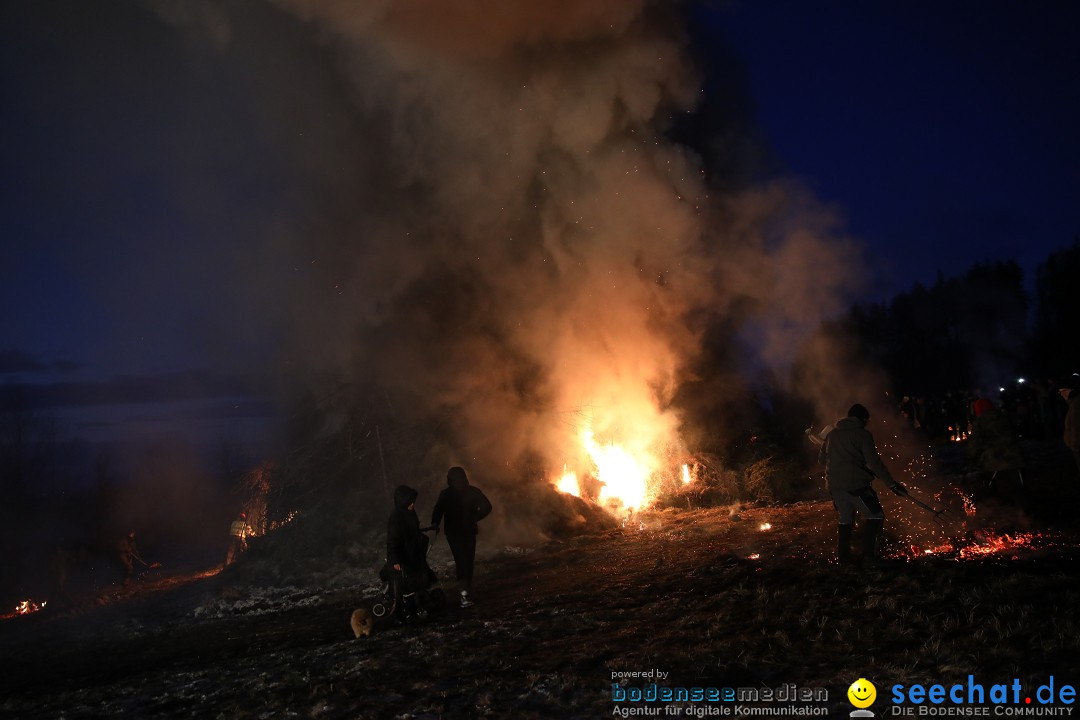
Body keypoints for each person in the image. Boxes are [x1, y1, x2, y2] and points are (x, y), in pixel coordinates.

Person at [818, 404, 907, 568]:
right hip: (855, 486)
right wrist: (892, 484)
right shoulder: (862, 434)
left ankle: (843, 558)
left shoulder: (832, 434)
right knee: (876, 515)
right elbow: (874, 463)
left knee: (845, 519)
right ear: (863, 419)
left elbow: (822, 460)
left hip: (834, 486)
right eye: (867, 420)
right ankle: (869, 557)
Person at [431, 466, 492, 607]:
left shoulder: (446, 494)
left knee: (461, 561)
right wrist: (474, 517)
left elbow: (438, 509)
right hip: (467, 532)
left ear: (449, 479)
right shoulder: (473, 491)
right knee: (468, 561)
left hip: (453, 533)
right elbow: (487, 507)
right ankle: (465, 592)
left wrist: (435, 523)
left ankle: (464, 592)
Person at [383, 485, 433, 622]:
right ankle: (399, 614)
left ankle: (413, 609)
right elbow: (393, 541)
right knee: (401, 588)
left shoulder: (410, 513)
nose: (413, 504)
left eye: (413, 501)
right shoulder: (396, 518)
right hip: (403, 556)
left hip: (413, 554)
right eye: (410, 501)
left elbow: (414, 531)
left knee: (414, 584)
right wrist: (395, 560)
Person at [968, 397, 1023, 487]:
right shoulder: (1004, 416)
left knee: (995, 485)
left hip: (994, 460)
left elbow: (974, 443)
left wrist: (971, 455)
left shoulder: (980, 422)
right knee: (1017, 488)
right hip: (1015, 456)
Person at [1060, 375, 1080, 475]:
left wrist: (1075, 443)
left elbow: (1076, 426)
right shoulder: (1072, 404)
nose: (1061, 394)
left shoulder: (1077, 404)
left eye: (1062, 390)